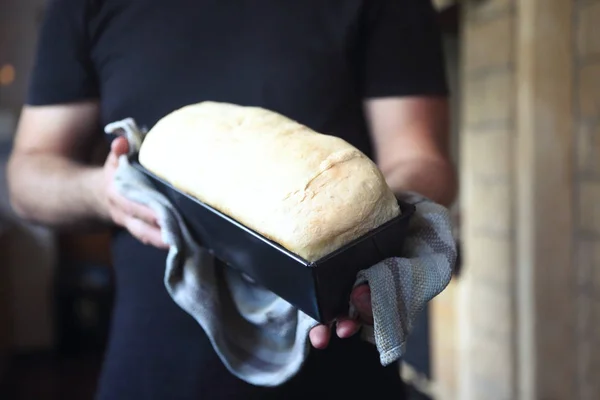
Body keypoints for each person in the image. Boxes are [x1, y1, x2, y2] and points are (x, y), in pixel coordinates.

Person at [7, 0, 457, 398]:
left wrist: (381, 236)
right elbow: (28, 173)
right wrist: (106, 193)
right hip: (155, 366)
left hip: (341, 362)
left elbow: (420, 156)